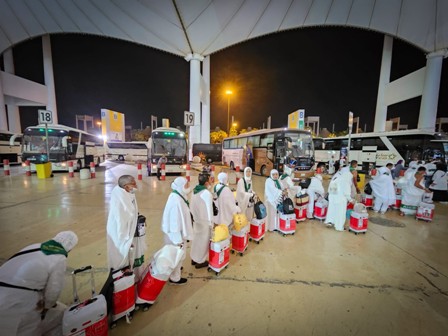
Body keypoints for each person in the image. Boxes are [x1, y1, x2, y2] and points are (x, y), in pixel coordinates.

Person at [0, 231, 78, 336]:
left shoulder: (34, 246)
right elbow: (53, 291)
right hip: (16, 302)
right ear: (70, 248)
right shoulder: (59, 258)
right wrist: (46, 307)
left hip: (4, 290)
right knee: (56, 318)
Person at [106, 175, 146, 279]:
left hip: (129, 231)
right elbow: (121, 220)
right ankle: (120, 280)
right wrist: (125, 238)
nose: (136, 185)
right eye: (133, 183)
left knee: (130, 256)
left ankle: (131, 277)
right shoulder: (120, 199)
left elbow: (133, 211)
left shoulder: (128, 193)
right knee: (121, 255)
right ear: (126, 186)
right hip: (121, 234)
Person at [161, 177, 193, 285]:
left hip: (178, 234)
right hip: (175, 235)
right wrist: (178, 239)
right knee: (177, 255)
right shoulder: (176, 200)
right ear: (180, 187)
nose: (188, 187)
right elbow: (174, 223)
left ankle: (176, 270)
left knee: (178, 255)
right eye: (186, 185)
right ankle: (175, 278)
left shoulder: (179, 195)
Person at [190, 172, 214, 269]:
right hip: (205, 221)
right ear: (206, 182)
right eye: (210, 180)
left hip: (196, 220)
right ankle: (200, 261)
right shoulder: (206, 193)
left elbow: (191, 205)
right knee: (203, 241)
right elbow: (209, 210)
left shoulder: (195, 190)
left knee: (196, 240)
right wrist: (211, 223)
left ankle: (194, 258)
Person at [325, 167, 354, 231]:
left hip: (332, 197)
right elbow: (346, 192)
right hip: (340, 199)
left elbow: (330, 188)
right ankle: (339, 227)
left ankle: (330, 222)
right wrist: (351, 200)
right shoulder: (345, 180)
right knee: (340, 213)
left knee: (332, 210)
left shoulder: (336, 177)